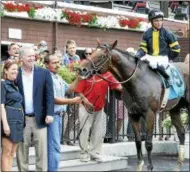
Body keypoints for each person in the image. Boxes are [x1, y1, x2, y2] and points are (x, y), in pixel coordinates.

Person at [16, 47, 54, 171]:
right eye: (29, 56)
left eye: (33, 56)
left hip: (40, 118)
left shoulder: (44, 73)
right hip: (21, 120)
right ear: (21, 58)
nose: (32, 58)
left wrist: (50, 113)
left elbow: (49, 95)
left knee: (41, 154)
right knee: (22, 153)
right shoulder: (15, 74)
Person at [44, 54, 82, 171]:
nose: (58, 65)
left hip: (59, 116)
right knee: (54, 147)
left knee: (55, 147)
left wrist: (80, 76)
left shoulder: (58, 77)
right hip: (53, 117)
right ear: (46, 65)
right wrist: (72, 101)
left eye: (58, 62)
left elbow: (69, 89)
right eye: (54, 63)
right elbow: (53, 99)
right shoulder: (48, 78)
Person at [75, 72, 123, 162]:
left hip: (99, 107)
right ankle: (83, 153)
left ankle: (94, 153)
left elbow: (118, 87)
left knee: (97, 131)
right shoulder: (86, 73)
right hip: (86, 107)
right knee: (84, 130)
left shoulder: (108, 75)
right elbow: (78, 92)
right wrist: (86, 101)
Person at [135, 9, 181, 88]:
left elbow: (176, 49)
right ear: (151, 21)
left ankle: (168, 78)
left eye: (161, 20)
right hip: (150, 57)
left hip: (162, 57)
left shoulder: (168, 33)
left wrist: (168, 57)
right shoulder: (147, 33)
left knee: (155, 64)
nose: (159, 23)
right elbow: (143, 48)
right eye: (156, 21)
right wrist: (138, 54)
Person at [1, 60, 24, 171]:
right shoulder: (2, 84)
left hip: (18, 121)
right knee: (6, 152)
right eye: (13, 69)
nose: (16, 72)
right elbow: (1, 105)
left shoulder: (15, 86)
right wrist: (5, 124)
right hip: (9, 121)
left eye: (17, 70)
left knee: (12, 153)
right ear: (6, 70)